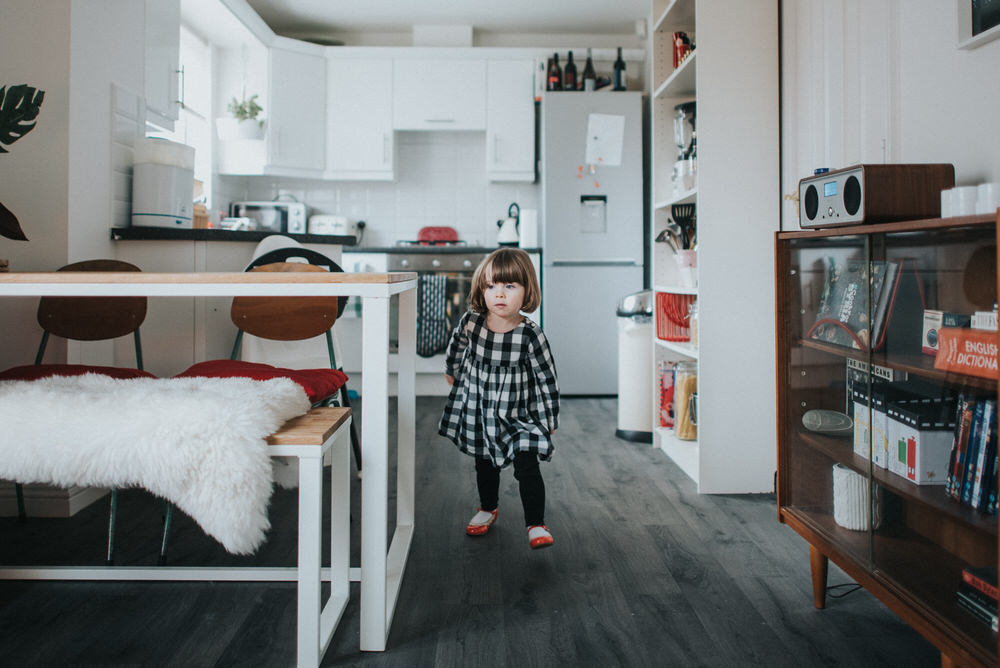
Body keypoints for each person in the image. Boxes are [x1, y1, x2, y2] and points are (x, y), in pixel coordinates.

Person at [438, 247, 560, 549]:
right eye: (491, 286)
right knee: (485, 462)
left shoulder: (530, 334)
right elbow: (456, 344)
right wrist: (451, 370)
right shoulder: (472, 322)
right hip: (481, 409)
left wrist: (549, 418)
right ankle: (487, 507)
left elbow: (547, 378)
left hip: (519, 414)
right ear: (482, 289)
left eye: (509, 286)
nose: (499, 294)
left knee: (527, 465)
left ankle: (535, 523)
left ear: (526, 290)